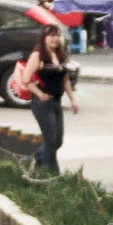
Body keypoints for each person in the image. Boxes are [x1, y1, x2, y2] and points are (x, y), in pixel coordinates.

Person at [18, 22, 78, 174]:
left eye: (57, 35)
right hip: (42, 103)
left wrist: (72, 99)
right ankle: (52, 174)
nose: (55, 39)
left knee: (58, 141)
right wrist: (40, 94)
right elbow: (26, 79)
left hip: (57, 101)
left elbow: (65, 79)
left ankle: (31, 160)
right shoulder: (38, 55)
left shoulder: (60, 55)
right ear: (44, 38)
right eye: (51, 36)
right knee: (50, 141)